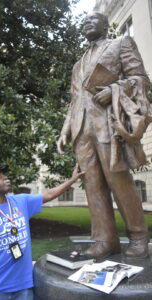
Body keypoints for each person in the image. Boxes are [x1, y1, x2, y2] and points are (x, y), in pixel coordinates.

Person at [57, 12, 151, 259]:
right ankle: (104, 240)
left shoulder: (120, 44)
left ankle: (139, 236)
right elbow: (74, 101)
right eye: (85, 21)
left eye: (93, 19)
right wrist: (65, 130)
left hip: (108, 126)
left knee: (120, 182)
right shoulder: (77, 65)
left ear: (105, 25)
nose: (88, 23)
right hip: (82, 131)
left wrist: (113, 90)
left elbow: (141, 79)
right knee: (92, 186)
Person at [0, 164, 84, 299]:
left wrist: (72, 180)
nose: (5, 178)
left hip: (24, 287)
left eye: (4, 175)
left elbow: (49, 194)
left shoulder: (21, 201)